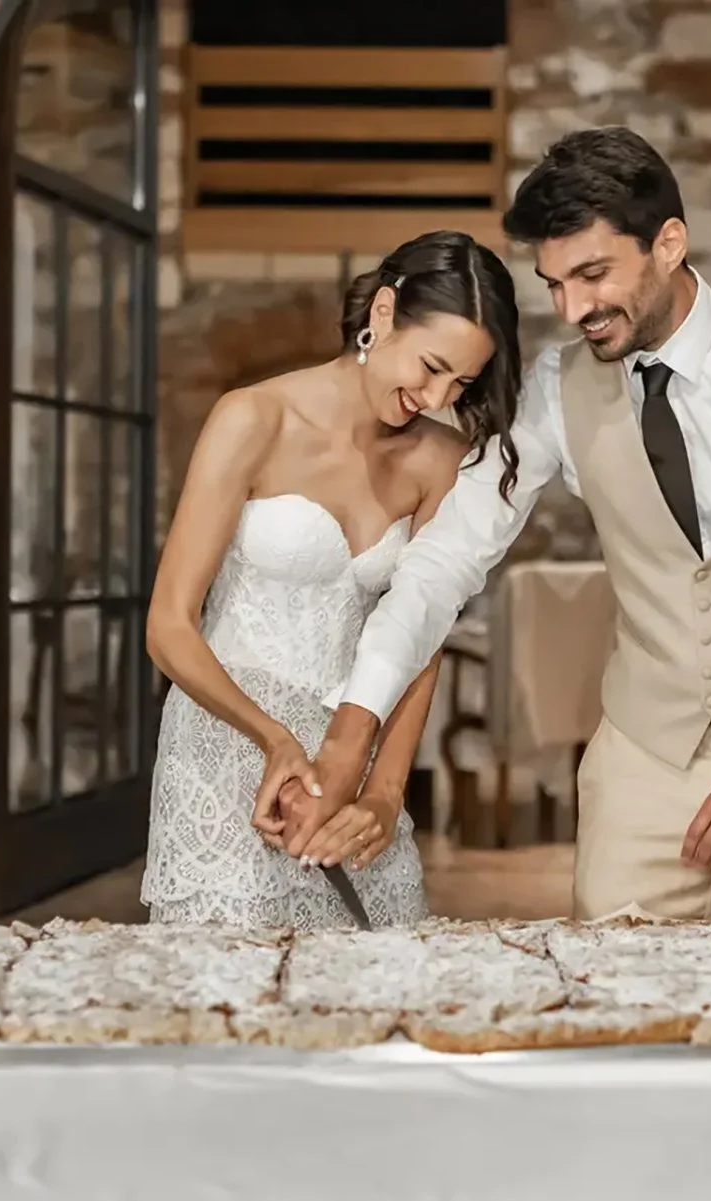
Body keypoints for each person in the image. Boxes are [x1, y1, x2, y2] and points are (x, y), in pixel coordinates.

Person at [281, 126, 711, 922]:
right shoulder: (558, 387)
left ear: (668, 243)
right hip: (643, 755)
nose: (573, 308)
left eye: (593, 274)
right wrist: (355, 729)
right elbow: (442, 564)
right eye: (554, 283)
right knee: (615, 1008)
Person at [139, 230, 523, 928]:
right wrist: (273, 738)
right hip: (230, 740)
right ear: (381, 313)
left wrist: (385, 791)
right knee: (231, 997)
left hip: (355, 747)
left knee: (373, 990)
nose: (436, 395)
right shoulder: (252, 418)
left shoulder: (440, 459)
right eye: (431, 365)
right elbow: (167, 626)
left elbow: (421, 640)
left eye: (461, 383)